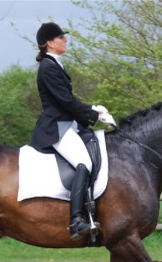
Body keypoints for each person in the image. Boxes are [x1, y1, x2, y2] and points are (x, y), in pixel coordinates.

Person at [31, 22, 116, 240]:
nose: (65, 40)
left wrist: (91, 110)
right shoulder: (48, 68)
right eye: (61, 37)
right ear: (50, 43)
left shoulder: (54, 64)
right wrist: (94, 115)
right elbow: (66, 101)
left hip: (68, 124)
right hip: (56, 128)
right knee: (84, 163)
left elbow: (68, 102)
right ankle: (77, 220)